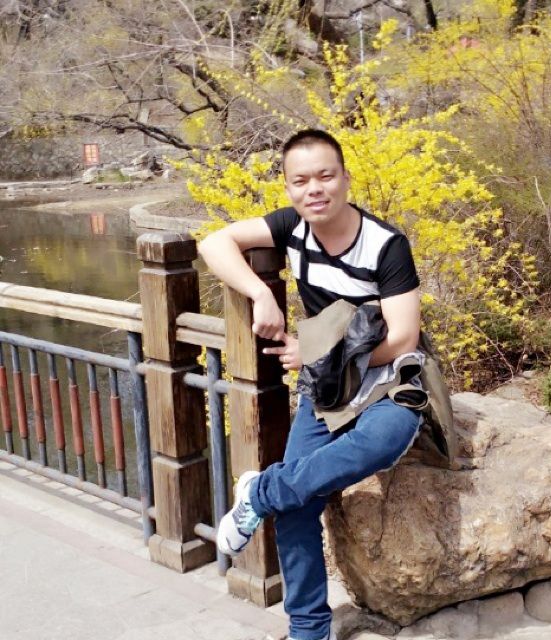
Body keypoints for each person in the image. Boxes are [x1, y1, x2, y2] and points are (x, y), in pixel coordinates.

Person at [198, 129, 423, 640]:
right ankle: (308, 629)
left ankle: (261, 490)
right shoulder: (292, 228)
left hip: (387, 377)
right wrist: (260, 293)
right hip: (327, 389)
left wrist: (321, 354)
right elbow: (214, 242)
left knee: (384, 440)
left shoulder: (386, 244)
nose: (314, 189)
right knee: (298, 505)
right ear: (288, 187)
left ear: (345, 178)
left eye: (325, 176)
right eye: (300, 181)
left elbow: (404, 336)